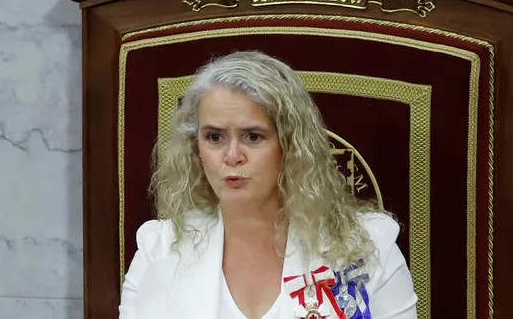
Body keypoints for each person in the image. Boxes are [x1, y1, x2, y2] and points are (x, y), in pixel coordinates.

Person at [119, 50, 418, 319]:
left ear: (290, 145)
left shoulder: (370, 247)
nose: (232, 156)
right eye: (215, 137)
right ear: (195, 147)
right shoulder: (159, 249)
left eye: (253, 136)